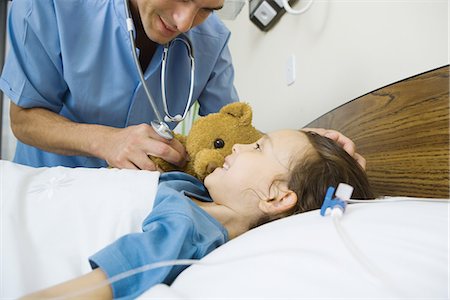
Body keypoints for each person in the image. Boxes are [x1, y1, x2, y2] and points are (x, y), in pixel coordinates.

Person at [0, 0, 364, 171]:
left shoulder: (212, 41)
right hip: (47, 183)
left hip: (133, 201)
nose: (185, 21)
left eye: (207, 7)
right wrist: (106, 141)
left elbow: (232, 134)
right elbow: (24, 118)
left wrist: (305, 151)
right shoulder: (50, 6)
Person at [21, 129, 374, 299]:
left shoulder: (190, 228)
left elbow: (115, 279)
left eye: (258, 146)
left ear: (277, 196)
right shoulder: (196, 191)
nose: (238, 144)